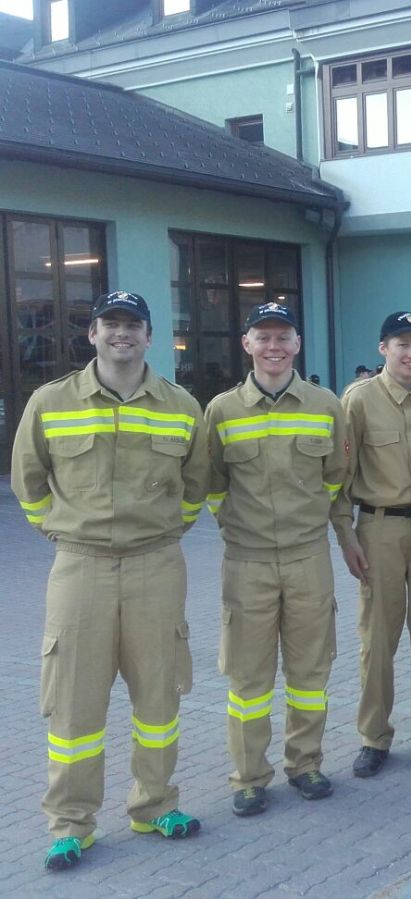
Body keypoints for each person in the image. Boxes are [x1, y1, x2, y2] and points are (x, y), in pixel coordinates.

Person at [12, 291, 207, 871]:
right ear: (93, 334)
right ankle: (71, 825)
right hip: (81, 566)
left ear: (149, 336)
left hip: (156, 564)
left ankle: (155, 806)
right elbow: (28, 482)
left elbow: (196, 486)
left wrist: (162, 533)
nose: (122, 333)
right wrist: (61, 531)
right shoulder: (51, 401)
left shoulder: (181, 405)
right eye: (111, 324)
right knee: (73, 702)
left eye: (132, 325)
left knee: (159, 695)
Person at [205, 302, 347, 817]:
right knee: (248, 678)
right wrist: (243, 526)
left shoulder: (325, 405)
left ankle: (305, 764)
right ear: (246, 344)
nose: (273, 347)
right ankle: (249, 777)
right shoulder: (222, 410)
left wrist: (304, 520)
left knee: (310, 671)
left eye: (283, 337)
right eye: (263, 337)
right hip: (248, 561)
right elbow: (213, 485)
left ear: (297, 344)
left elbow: (336, 477)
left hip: (308, 557)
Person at [333, 312, 411, 780]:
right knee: (378, 639)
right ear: (383, 349)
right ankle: (374, 736)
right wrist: (345, 534)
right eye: (402, 345)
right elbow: (340, 475)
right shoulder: (359, 400)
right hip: (379, 530)